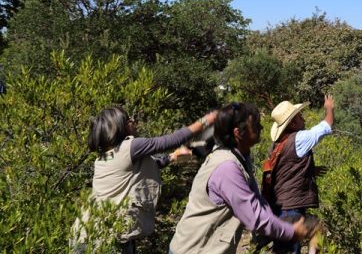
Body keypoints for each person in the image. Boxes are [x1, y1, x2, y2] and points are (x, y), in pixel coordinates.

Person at [73, 106, 218, 253]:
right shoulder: (130, 147)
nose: (135, 123)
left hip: (89, 233)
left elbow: (146, 165)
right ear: (120, 126)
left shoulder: (106, 155)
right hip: (105, 242)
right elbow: (173, 140)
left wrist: (172, 157)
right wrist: (207, 120)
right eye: (130, 121)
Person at [169, 103, 309, 254]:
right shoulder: (227, 167)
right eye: (255, 125)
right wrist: (291, 231)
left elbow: (256, 201)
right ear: (238, 132)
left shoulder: (239, 156)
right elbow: (254, 216)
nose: (261, 128)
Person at [268, 94, 334, 254]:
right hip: (291, 208)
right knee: (309, 235)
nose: (302, 117)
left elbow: (286, 169)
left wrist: (309, 170)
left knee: (288, 247)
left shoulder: (277, 145)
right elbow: (326, 126)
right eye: (299, 115)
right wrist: (329, 108)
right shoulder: (299, 139)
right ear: (292, 122)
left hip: (279, 207)